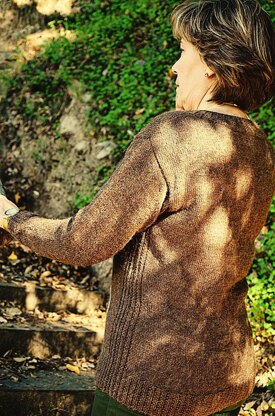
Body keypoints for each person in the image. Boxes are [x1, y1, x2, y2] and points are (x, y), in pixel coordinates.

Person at [0, 0, 274, 415]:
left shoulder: (174, 136)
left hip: (149, 383)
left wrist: (10, 217)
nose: (175, 67)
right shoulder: (259, 148)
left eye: (183, 51)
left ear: (212, 64)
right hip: (229, 377)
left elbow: (83, 242)